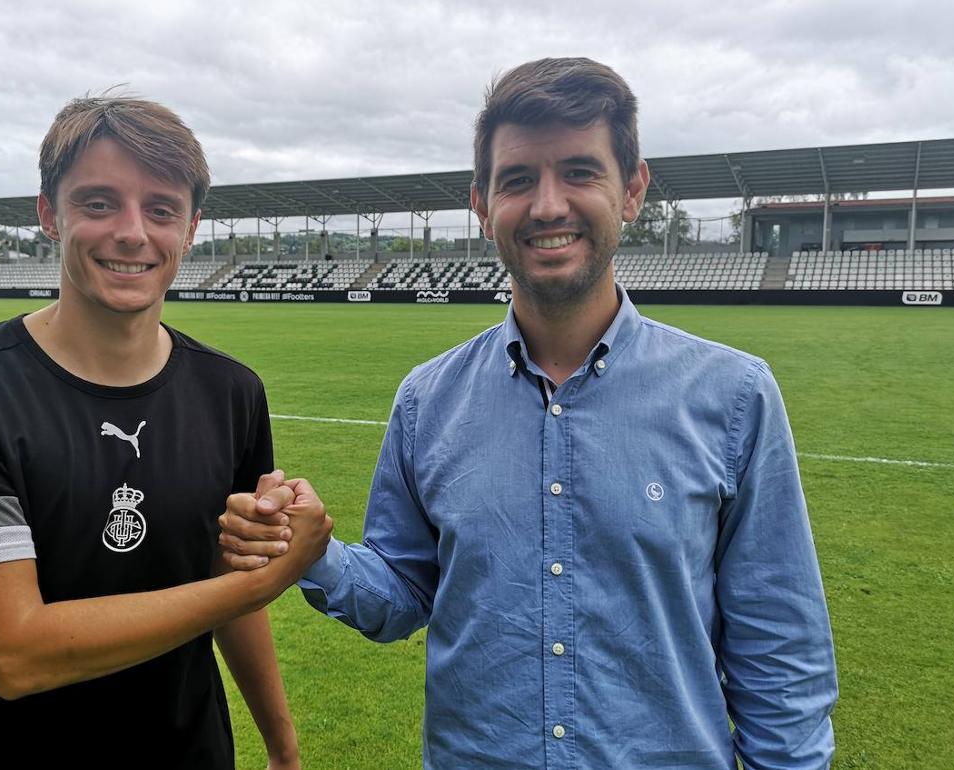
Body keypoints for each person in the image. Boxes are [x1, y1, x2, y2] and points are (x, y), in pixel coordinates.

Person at [220, 58, 837, 769]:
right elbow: (405, 591)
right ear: (482, 204)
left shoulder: (734, 396)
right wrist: (317, 555)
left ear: (632, 190)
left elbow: (782, 655)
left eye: (580, 171)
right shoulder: (428, 400)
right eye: (518, 180)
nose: (548, 206)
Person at [0, 95, 331, 769]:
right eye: (99, 203)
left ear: (190, 229)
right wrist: (260, 583)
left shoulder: (231, 391)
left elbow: (224, 578)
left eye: (161, 209)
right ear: (48, 214)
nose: (133, 232)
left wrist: (283, 748)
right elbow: (16, 653)